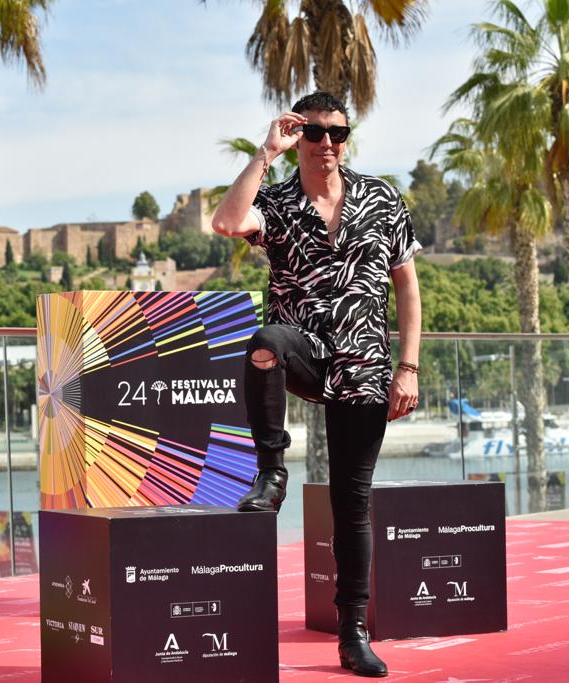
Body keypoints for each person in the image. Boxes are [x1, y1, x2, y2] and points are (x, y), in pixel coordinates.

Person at [211, 91, 422, 678]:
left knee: (352, 505)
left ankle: (352, 632)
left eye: (338, 132)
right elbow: (227, 222)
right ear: (298, 137)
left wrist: (408, 367)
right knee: (264, 342)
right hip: (302, 350)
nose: (327, 142)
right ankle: (272, 470)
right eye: (314, 133)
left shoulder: (382, 199)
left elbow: (407, 287)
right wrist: (265, 151)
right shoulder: (275, 203)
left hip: (365, 365)